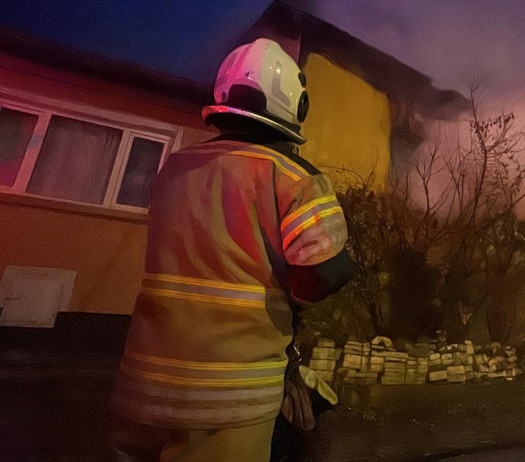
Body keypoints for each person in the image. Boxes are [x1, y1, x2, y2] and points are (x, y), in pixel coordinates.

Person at [109, 38, 355, 461]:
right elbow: (322, 274)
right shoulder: (295, 178)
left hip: (140, 389)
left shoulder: (175, 168)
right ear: (295, 106)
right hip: (228, 400)